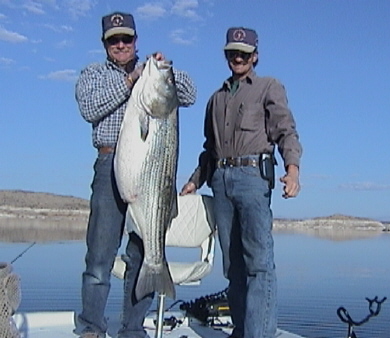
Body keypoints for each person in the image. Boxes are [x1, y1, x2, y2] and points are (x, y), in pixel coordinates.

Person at [75, 11, 196, 338]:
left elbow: (188, 93)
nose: (121, 44)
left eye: (127, 38)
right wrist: (130, 81)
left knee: (140, 254)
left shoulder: (152, 75)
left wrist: (165, 69)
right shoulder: (94, 74)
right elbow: (90, 108)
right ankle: (91, 328)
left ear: (136, 40)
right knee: (99, 257)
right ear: (104, 43)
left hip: (150, 174)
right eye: (114, 40)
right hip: (109, 164)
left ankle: (132, 329)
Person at [180, 27, 302, 338]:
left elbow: (285, 130)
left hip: (252, 179)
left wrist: (293, 169)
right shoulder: (215, 99)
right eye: (233, 52)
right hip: (220, 180)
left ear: (255, 56)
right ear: (226, 55)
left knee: (259, 263)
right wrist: (195, 181)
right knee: (232, 266)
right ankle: (242, 330)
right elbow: (210, 149)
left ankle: (259, 333)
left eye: (244, 53)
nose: (238, 57)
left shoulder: (268, 87)